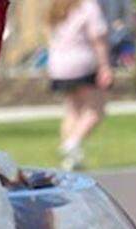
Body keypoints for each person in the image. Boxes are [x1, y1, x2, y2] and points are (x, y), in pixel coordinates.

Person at [48, 0, 113, 170]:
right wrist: (105, 66)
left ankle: (71, 160)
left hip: (59, 64)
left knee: (72, 111)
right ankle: (72, 143)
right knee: (96, 110)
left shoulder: (57, 7)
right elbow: (98, 37)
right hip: (82, 62)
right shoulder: (88, 6)